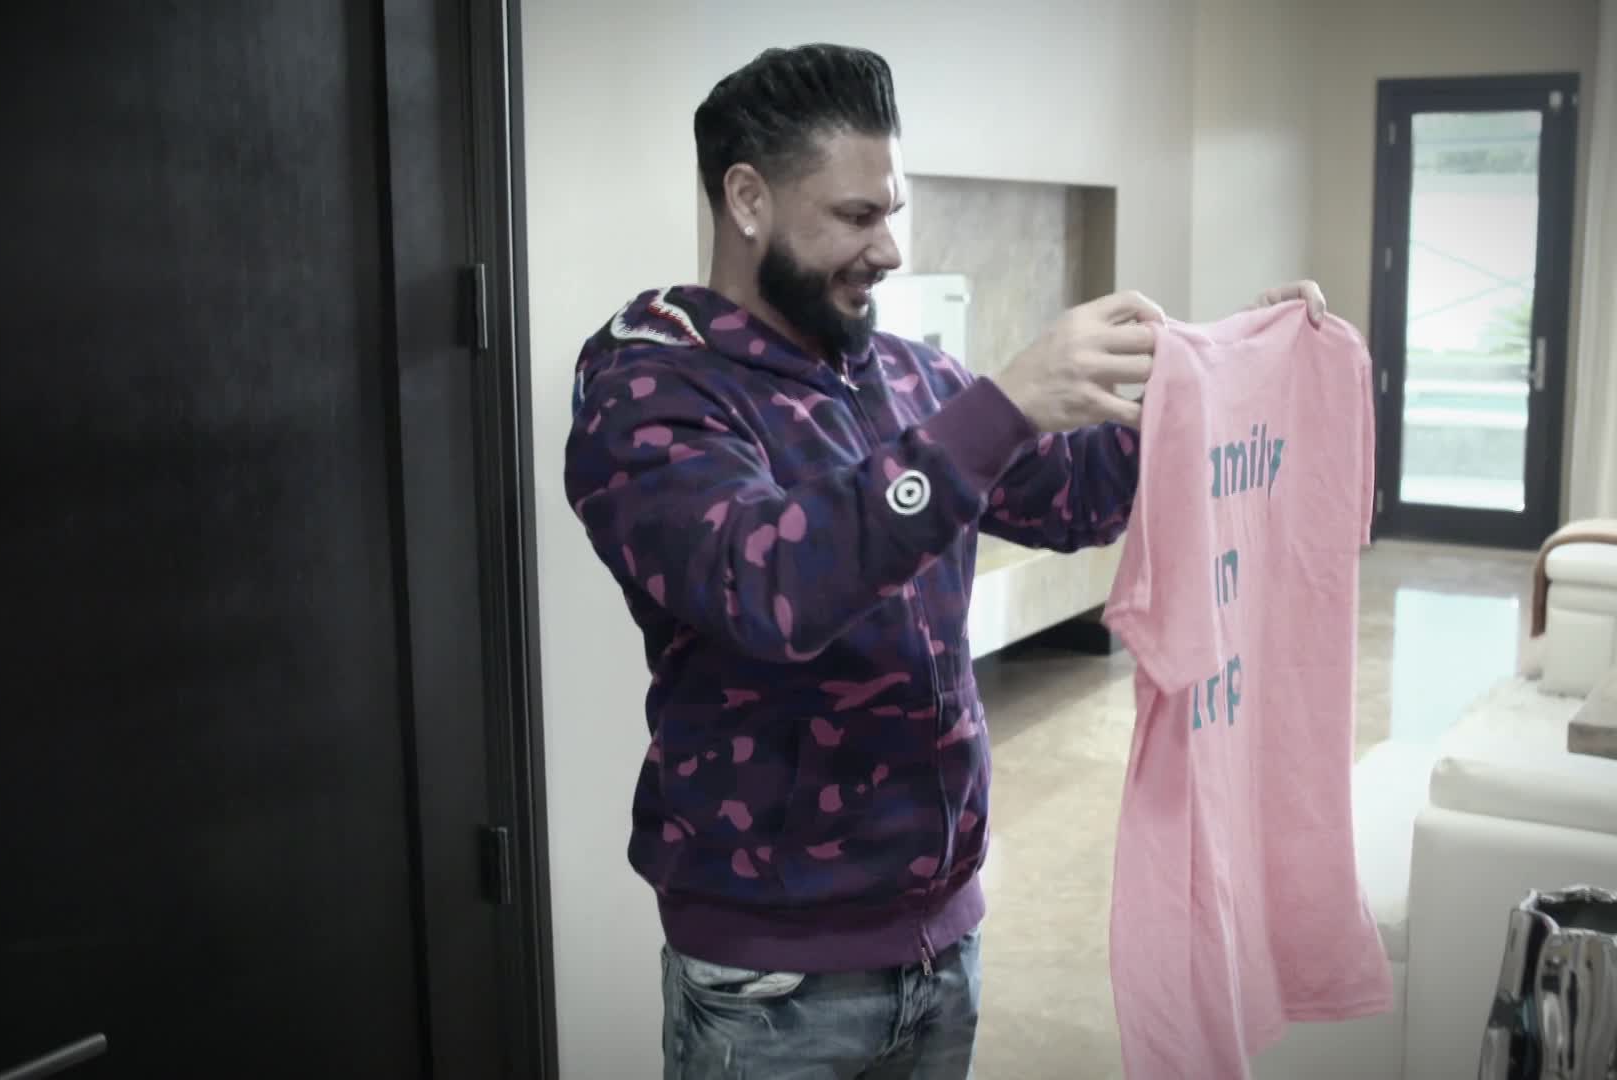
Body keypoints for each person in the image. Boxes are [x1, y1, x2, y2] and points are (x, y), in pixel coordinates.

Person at [564, 42, 1327, 1079]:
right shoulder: (651, 392)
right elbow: (769, 586)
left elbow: (1075, 496)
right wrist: (1002, 406)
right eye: (855, 216)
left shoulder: (908, 376)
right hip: (769, 983)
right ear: (747, 199)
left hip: (941, 943)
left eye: (893, 212)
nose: (888, 250)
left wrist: (1223, 377)